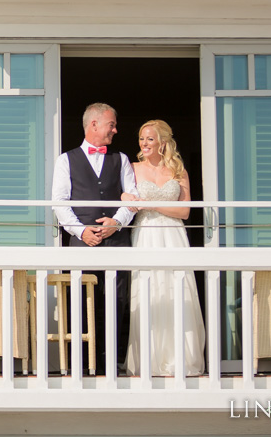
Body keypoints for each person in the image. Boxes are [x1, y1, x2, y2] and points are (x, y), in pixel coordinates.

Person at [51, 103, 138, 373]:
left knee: (116, 302)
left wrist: (116, 222)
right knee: (80, 301)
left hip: (116, 242)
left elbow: (132, 198)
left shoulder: (121, 159)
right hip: (81, 243)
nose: (115, 129)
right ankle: (81, 366)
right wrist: (81, 231)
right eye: (111, 124)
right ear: (94, 125)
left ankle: (110, 364)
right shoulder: (66, 160)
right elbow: (59, 203)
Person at [122, 120, 206, 376]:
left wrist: (152, 203)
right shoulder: (132, 169)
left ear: (162, 143)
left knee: (177, 289)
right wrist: (127, 198)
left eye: (149, 139)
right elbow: (125, 197)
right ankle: (149, 359)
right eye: (141, 139)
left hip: (173, 235)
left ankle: (180, 357)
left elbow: (184, 211)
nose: (144, 144)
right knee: (149, 290)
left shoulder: (178, 171)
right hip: (146, 233)